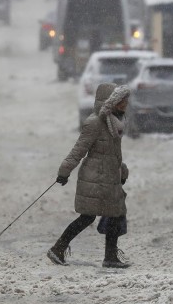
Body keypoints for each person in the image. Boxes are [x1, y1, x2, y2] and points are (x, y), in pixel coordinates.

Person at [48, 83, 132, 269]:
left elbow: (113, 154)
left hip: (109, 178)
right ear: (111, 102)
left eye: (126, 99)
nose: (126, 103)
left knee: (114, 214)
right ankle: (58, 248)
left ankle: (109, 257)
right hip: (95, 178)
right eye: (122, 100)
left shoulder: (113, 123)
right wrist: (64, 171)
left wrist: (122, 171)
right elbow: (79, 150)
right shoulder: (95, 123)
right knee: (90, 216)